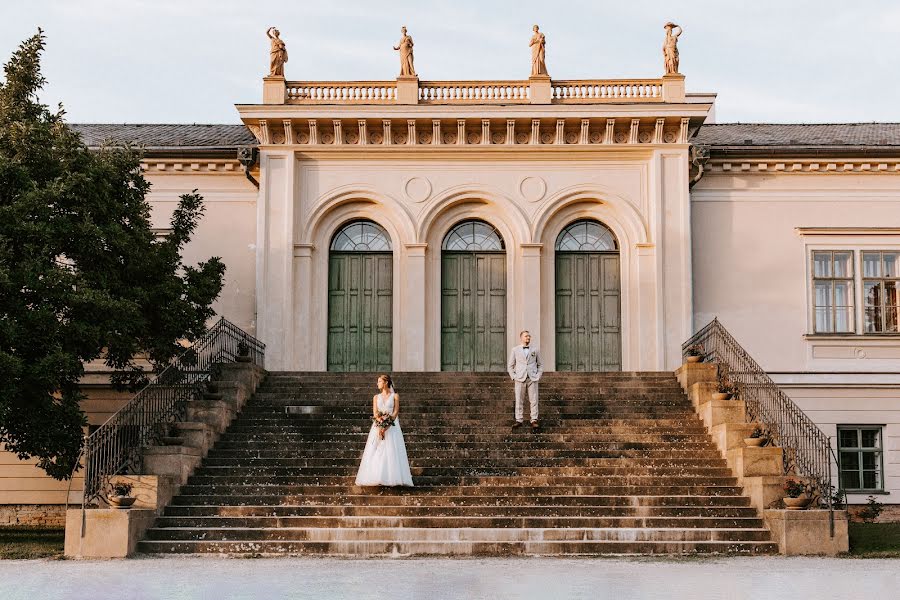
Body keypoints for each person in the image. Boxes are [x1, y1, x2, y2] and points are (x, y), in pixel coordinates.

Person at [355, 374, 414, 487]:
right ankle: (376, 475)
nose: (377, 384)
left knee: (392, 450)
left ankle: (392, 476)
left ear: (386, 382)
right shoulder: (376, 397)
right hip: (378, 426)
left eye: (379, 381)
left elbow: (395, 412)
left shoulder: (395, 396)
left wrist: (387, 425)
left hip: (392, 426)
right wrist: (381, 424)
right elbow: (375, 413)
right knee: (376, 450)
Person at [508, 330, 544, 430]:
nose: (528, 338)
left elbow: (540, 364)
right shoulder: (515, 350)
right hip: (520, 378)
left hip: (532, 378)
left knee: (534, 399)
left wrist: (538, 375)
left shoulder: (535, 350)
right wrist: (514, 376)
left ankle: (534, 419)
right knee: (519, 399)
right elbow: (510, 366)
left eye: (529, 336)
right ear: (521, 338)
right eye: (526, 336)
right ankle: (519, 420)